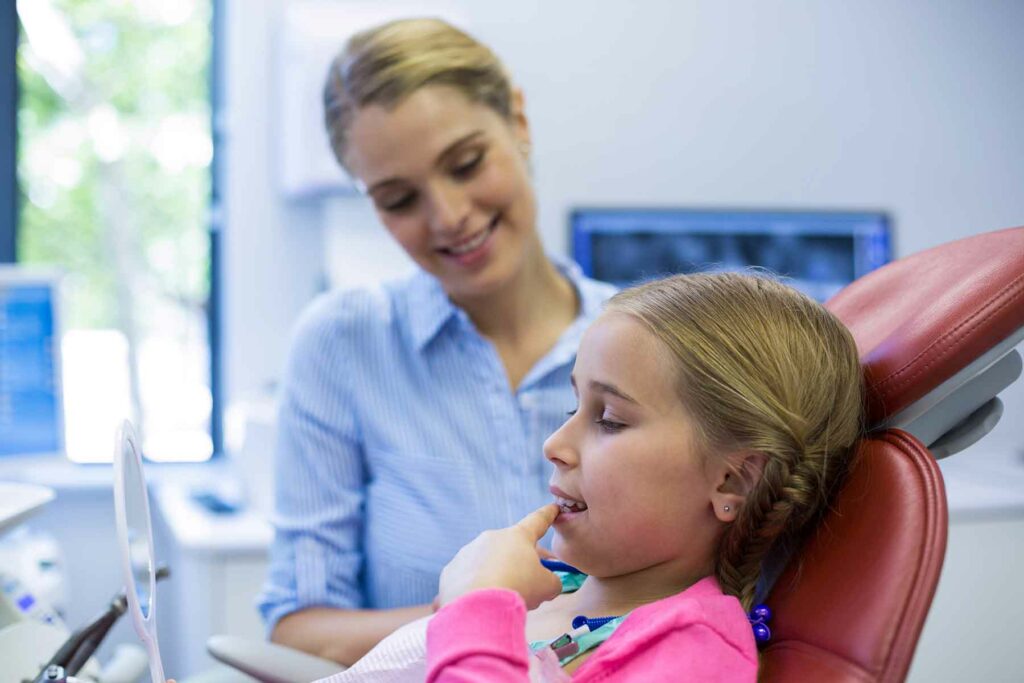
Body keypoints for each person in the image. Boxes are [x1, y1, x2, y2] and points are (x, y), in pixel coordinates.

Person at [257, 18, 617, 665]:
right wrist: (475, 609)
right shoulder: (343, 344)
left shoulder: (650, 344)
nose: (448, 217)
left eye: (466, 164)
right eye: (399, 199)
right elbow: (299, 629)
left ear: (518, 120)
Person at [423, 272, 864, 680]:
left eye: (609, 420)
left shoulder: (695, 655)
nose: (553, 445)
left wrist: (475, 608)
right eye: (573, 407)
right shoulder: (551, 586)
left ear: (733, 482)